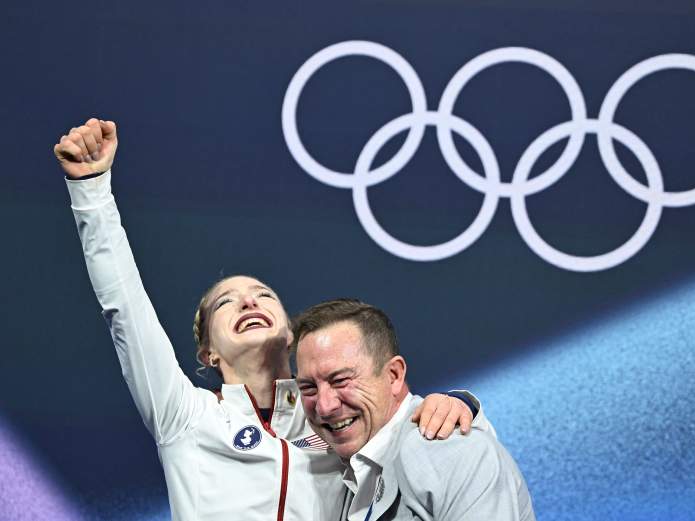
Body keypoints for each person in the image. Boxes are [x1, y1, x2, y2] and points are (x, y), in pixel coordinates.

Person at [54, 118, 482, 521]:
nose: (248, 302)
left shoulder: (333, 414)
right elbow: (123, 305)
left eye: (263, 296)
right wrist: (91, 190)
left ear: (291, 336)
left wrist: (461, 404)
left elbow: (418, 431)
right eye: (226, 303)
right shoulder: (185, 416)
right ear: (208, 352)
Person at [294, 299, 537, 521]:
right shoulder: (338, 470)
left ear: (394, 375)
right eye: (308, 388)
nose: (324, 406)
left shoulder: (444, 449)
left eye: (340, 381)